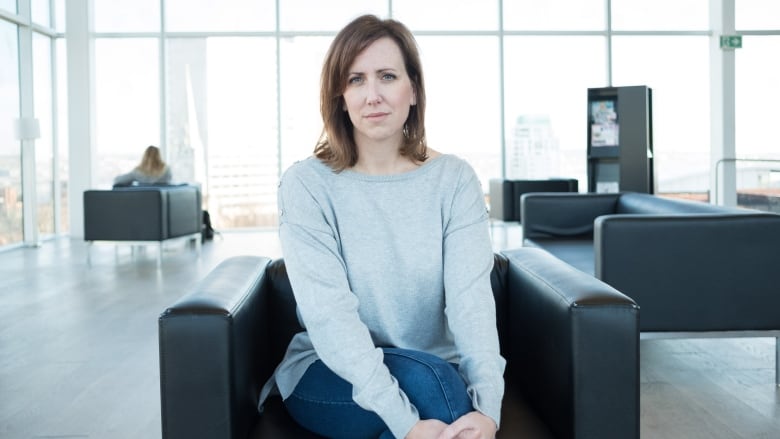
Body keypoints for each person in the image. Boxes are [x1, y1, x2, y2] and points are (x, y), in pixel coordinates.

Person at [259, 14, 505, 439]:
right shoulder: (307, 184)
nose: (372, 95)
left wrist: (489, 410)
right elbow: (330, 319)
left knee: (437, 387)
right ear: (340, 95)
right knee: (438, 392)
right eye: (356, 80)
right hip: (330, 372)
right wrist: (406, 424)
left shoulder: (454, 180)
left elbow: (472, 304)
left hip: (431, 369)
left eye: (387, 76)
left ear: (413, 89)